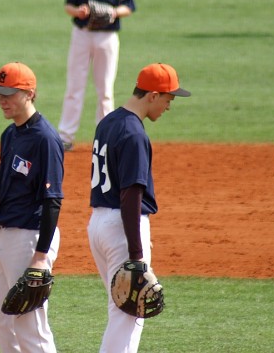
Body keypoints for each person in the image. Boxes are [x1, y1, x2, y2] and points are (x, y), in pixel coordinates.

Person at [0, 62, 64, 353]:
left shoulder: (45, 139)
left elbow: (52, 200)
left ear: (29, 93)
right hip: (6, 237)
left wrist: (40, 257)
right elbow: (1, 190)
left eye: (9, 94)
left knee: (31, 328)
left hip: (30, 239)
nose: (2, 100)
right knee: (2, 323)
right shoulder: (10, 135)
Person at [87, 63, 190, 352]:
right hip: (122, 227)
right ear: (153, 95)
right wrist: (136, 255)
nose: (169, 106)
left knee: (121, 311)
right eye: (168, 99)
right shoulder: (134, 134)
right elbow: (131, 195)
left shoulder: (108, 122)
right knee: (130, 314)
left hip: (99, 224)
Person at [58, 0, 136, 151]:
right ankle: (65, 136)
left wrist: (113, 12)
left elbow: (129, 6)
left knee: (105, 90)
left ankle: (106, 137)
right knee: (74, 86)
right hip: (82, 35)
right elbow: (68, 5)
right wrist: (78, 11)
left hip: (107, 37)